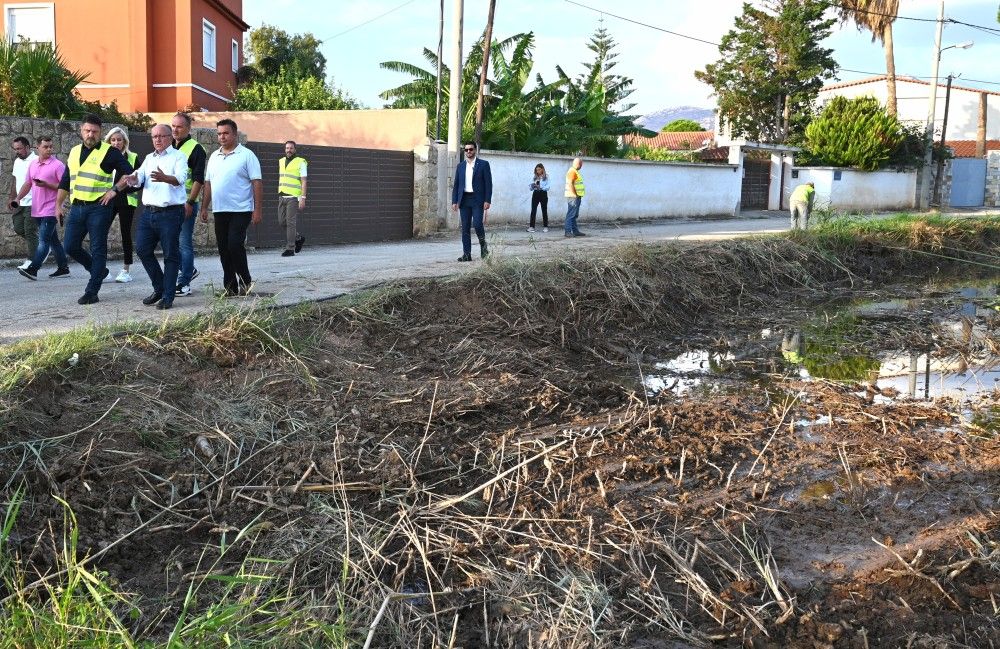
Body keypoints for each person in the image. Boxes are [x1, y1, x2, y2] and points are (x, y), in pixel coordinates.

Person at [56, 114, 134, 305]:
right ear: (81, 130)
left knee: (98, 248)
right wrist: (58, 204)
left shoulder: (110, 152)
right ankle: (98, 270)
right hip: (77, 207)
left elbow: (130, 175)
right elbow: (66, 179)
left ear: (100, 133)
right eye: (87, 130)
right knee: (70, 246)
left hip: (99, 207)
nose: (90, 134)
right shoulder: (74, 151)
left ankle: (92, 291)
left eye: (95, 131)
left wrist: (114, 190)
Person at [119, 124, 188, 310]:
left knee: (170, 255)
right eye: (154, 136)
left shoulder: (179, 157)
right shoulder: (149, 158)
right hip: (149, 213)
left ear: (170, 137)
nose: (157, 139)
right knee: (142, 249)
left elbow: (181, 178)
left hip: (171, 213)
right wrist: (132, 180)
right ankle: (159, 287)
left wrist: (166, 178)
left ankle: (168, 296)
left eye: (161, 136)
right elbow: (139, 176)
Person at [200, 118, 262, 297]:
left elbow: (257, 183)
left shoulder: (247, 155)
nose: (222, 137)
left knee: (234, 245)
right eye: (219, 133)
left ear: (235, 134)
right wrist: (204, 207)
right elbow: (208, 183)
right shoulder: (214, 156)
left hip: (241, 210)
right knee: (223, 249)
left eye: (226, 133)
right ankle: (230, 287)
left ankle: (245, 282)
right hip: (220, 210)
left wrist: (257, 210)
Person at [14, 136, 69, 280]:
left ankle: (33, 269)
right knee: (53, 241)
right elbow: (27, 184)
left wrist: (46, 184)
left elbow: (65, 186)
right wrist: (18, 198)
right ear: (37, 147)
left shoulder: (57, 165)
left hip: (51, 209)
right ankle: (64, 268)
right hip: (37, 208)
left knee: (44, 241)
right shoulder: (33, 164)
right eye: (46, 146)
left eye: (51, 146)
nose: (49, 149)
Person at [171, 112, 207, 297]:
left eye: (179, 126)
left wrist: (190, 202)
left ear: (188, 128)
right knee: (172, 242)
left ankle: (184, 283)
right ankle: (189, 269)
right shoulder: (169, 147)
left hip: (185, 204)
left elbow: (198, 179)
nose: (175, 130)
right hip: (170, 205)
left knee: (184, 243)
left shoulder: (196, 149)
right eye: (173, 126)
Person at [104, 127, 137, 283]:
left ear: (125, 142)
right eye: (113, 140)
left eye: (119, 140)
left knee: (125, 234)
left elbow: (138, 181)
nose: (116, 142)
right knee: (100, 232)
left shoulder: (132, 157)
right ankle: (101, 269)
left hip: (126, 200)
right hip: (107, 199)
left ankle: (126, 269)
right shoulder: (103, 157)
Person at [450, 141, 492, 261]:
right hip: (464, 200)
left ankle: (484, 249)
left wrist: (487, 200)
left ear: (475, 150)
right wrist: (454, 201)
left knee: (478, 225)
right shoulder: (461, 166)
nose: (469, 151)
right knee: (465, 228)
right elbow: (457, 184)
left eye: (471, 149)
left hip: (477, 200)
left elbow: (488, 184)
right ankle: (466, 254)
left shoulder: (483, 164)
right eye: (466, 150)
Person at [9, 136, 38, 269]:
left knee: (30, 230)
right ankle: (42, 247)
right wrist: (12, 197)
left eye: (19, 148)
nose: (17, 151)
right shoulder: (17, 161)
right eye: (15, 149)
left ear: (27, 147)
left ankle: (31, 260)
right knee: (18, 228)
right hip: (19, 201)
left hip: (33, 201)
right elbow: (15, 180)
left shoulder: (36, 160)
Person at [277, 140, 307, 257]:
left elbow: (304, 181)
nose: (289, 150)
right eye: (287, 148)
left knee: (290, 223)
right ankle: (298, 238)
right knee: (281, 222)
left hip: (293, 197)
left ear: (295, 149)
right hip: (282, 196)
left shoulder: (301, 162)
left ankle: (290, 248)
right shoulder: (281, 161)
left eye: (291, 148)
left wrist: (302, 198)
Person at [564, 157, 586, 238]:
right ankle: (568, 231)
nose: (581, 166)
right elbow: (570, 183)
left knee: (574, 215)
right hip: (573, 196)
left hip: (576, 196)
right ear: (579, 164)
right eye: (581, 164)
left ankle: (575, 231)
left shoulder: (574, 171)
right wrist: (575, 194)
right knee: (571, 214)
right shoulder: (572, 171)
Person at [527, 163, 549, 233]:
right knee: (533, 210)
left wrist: (541, 187)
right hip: (535, 193)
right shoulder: (535, 177)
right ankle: (531, 227)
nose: (538, 171)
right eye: (536, 170)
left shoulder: (546, 177)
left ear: (542, 169)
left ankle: (545, 227)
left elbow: (548, 187)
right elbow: (530, 188)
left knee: (544, 210)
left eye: (539, 169)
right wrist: (532, 186)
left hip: (543, 193)